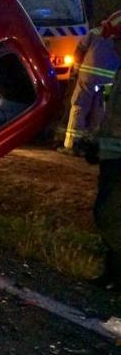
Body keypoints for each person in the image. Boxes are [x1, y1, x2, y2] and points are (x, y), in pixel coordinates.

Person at [62, 11, 121, 154]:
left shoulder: (94, 33)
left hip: (87, 78)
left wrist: (76, 69)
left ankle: (73, 144)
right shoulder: (117, 41)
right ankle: (92, 144)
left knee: (79, 107)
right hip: (108, 83)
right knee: (100, 112)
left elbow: (80, 50)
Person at [92, 36, 121, 285]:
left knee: (109, 213)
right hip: (111, 153)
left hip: (117, 157)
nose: (114, 47)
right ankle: (111, 274)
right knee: (107, 213)